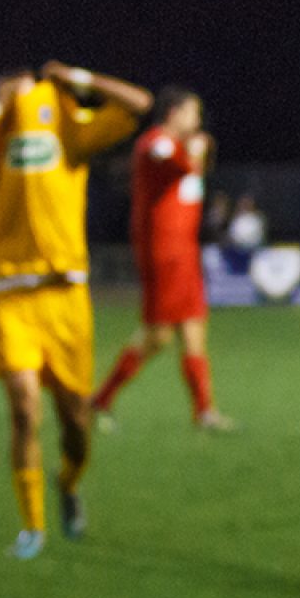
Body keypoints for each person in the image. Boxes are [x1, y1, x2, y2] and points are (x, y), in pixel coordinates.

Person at [0, 62, 151, 560]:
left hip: (66, 297)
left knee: (76, 424)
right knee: (24, 410)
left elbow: (139, 104)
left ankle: (68, 481)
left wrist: (78, 77)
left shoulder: (67, 124)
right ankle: (32, 527)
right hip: (11, 295)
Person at [92, 86, 235, 432]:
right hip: (163, 252)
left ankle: (204, 412)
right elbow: (169, 161)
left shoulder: (182, 146)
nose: (197, 120)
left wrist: (197, 154)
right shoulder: (155, 142)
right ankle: (98, 402)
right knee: (157, 335)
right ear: (174, 113)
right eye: (192, 112)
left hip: (185, 251)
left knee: (194, 328)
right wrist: (194, 154)